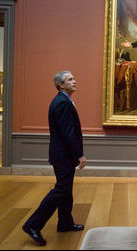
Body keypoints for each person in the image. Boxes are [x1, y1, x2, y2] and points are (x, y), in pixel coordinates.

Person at [22, 71, 86, 246]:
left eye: (74, 78)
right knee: (61, 190)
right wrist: (79, 155)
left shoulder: (63, 100)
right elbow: (67, 133)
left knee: (66, 190)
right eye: (70, 79)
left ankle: (65, 223)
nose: (74, 81)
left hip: (63, 155)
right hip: (63, 155)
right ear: (60, 85)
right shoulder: (62, 103)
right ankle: (33, 225)